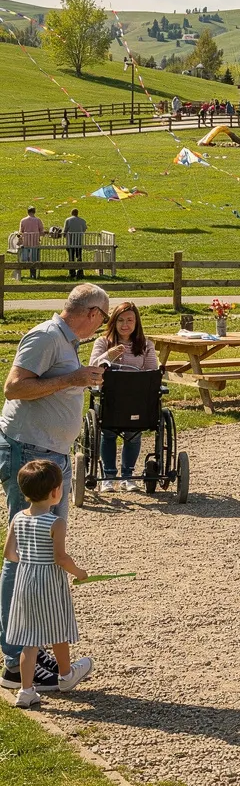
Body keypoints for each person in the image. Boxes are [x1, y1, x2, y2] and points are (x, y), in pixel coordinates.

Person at [0, 284, 108, 692]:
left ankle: (29, 649)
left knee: (37, 556)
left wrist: (79, 377)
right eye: (104, 316)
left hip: (50, 450)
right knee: (25, 558)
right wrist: (75, 378)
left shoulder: (66, 342)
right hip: (31, 450)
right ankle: (14, 661)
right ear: (93, 313)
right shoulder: (46, 336)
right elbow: (14, 387)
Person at [3, 457, 92, 708]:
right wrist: (79, 573)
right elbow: (60, 557)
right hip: (49, 582)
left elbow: (9, 554)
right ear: (56, 492)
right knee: (58, 630)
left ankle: (26, 690)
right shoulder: (56, 522)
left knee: (30, 640)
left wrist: (29, 561)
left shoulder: (19, 518)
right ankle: (66, 675)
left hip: (25, 581)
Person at [88, 301, 159, 493]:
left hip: (136, 399)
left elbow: (152, 373)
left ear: (136, 323)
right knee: (108, 433)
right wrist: (108, 355)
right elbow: (92, 368)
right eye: (120, 320)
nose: (125, 324)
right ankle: (108, 477)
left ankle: (128, 476)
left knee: (133, 435)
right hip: (111, 398)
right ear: (113, 322)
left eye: (129, 320)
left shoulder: (145, 345)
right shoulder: (102, 343)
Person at [18, 207, 42, 279]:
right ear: (34, 212)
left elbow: (20, 232)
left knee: (26, 257)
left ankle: (28, 271)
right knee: (34, 258)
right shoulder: (38, 220)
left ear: (27, 212)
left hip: (26, 243)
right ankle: (33, 273)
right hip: (35, 243)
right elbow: (41, 232)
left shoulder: (23, 220)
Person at [63, 208, 86, 279]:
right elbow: (84, 229)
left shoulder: (68, 220)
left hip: (70, 242)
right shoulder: (82, 220)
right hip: (79, 242)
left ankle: (72, 272)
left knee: (71, 257)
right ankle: (80, 272)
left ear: (71, 213)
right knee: (79, 257)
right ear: (77, 213)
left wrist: (64, 235)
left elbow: (65, 230)